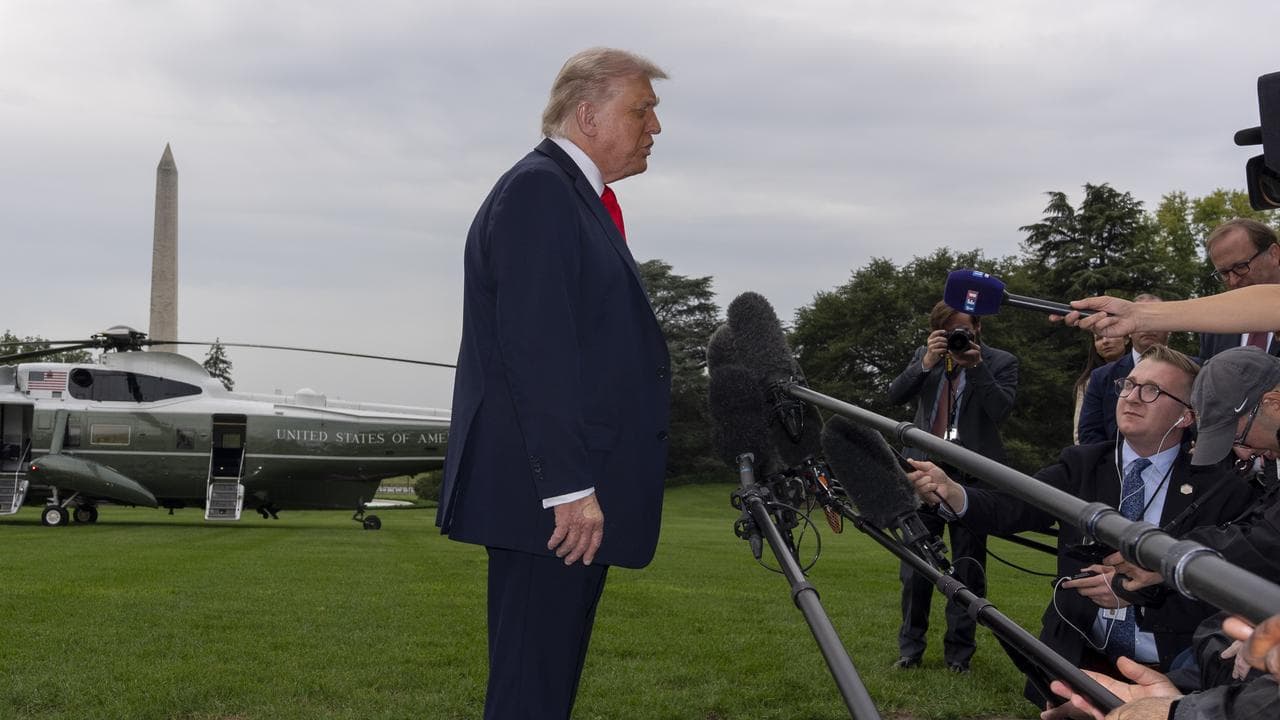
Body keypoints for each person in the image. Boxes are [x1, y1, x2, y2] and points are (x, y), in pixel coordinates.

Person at [436, 48, 672, 720]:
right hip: (550, 505)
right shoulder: (541, 192)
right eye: (643, 109)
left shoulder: (571, 197)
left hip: (555, 499)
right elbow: (535, 350)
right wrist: (569, 490)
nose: (655, 127)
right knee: (530, 693)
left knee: (541, 688)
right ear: (588, 115)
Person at [908, 346, 1256, 708]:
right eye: (1129, 385)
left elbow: (1226, 588)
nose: (1132, 397)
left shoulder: (1220, 487)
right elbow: (1013, 506)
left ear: (1186, 416)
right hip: (1078, 658)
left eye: (1152, 390)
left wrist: (1142, 592)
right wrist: (954, 492)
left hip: (1175, 671)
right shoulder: (1083, 464)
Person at [887, 300, 1019, 673]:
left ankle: (959, 655)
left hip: (970, 477)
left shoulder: (1000, 361)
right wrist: (927, 362)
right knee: (916, 566)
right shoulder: (924, 355)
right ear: (936, 331)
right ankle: (910, 649)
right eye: (949, 330)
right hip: (923, 471)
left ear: (978, 327)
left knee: (968, 568)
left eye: (964, 328)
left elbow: (1001, 410)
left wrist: (975, 367)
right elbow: (894, 395)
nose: (957, 335)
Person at [1078, 295, 1168, 445]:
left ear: (1170, 326)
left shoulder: (1193, 371)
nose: (1148, 326)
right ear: (1128, 330)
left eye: (1155, 319)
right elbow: (1089, 435)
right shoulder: (1102, 377)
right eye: (1141, 319)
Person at [1197, 219, 1280, 361]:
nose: (1233, 281)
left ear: (1274, 254)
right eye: (1224, 273)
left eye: (1241, 266)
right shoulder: (1215, 326)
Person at [1074, 333, 1128, 444]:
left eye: (1111, 335)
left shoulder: (1141, 371)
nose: (1105, 341)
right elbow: (1080, 432)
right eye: (1098, 338)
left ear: (1126, 339)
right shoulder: (1087, 382)